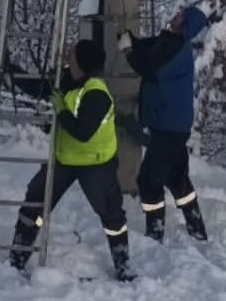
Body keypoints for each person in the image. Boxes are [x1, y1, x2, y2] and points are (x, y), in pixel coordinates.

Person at [8, 39, 135, 280]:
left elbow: (83, 131)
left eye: (72, 53)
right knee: (35, 200)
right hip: (65, 159)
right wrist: (12, 70)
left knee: (112, 214)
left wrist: (61, 110)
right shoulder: (69, 80)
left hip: (96, 164)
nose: (67, 55)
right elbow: (41, 88)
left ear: (82, 62)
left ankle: (123, 265)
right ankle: (17, 259)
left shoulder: (96, 92)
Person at [118, 6, 210, 242]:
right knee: (177, 178)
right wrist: (132, 41)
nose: (176, 15)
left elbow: (150, 69)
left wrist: (128, 52)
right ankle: (196, 228)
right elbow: (149, 48)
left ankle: (155, 231)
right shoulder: (169, 41)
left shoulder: (177, 48)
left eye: (182, 15)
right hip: (173, 125)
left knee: (149, 180)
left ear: (186, 23)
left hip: (168, 126)